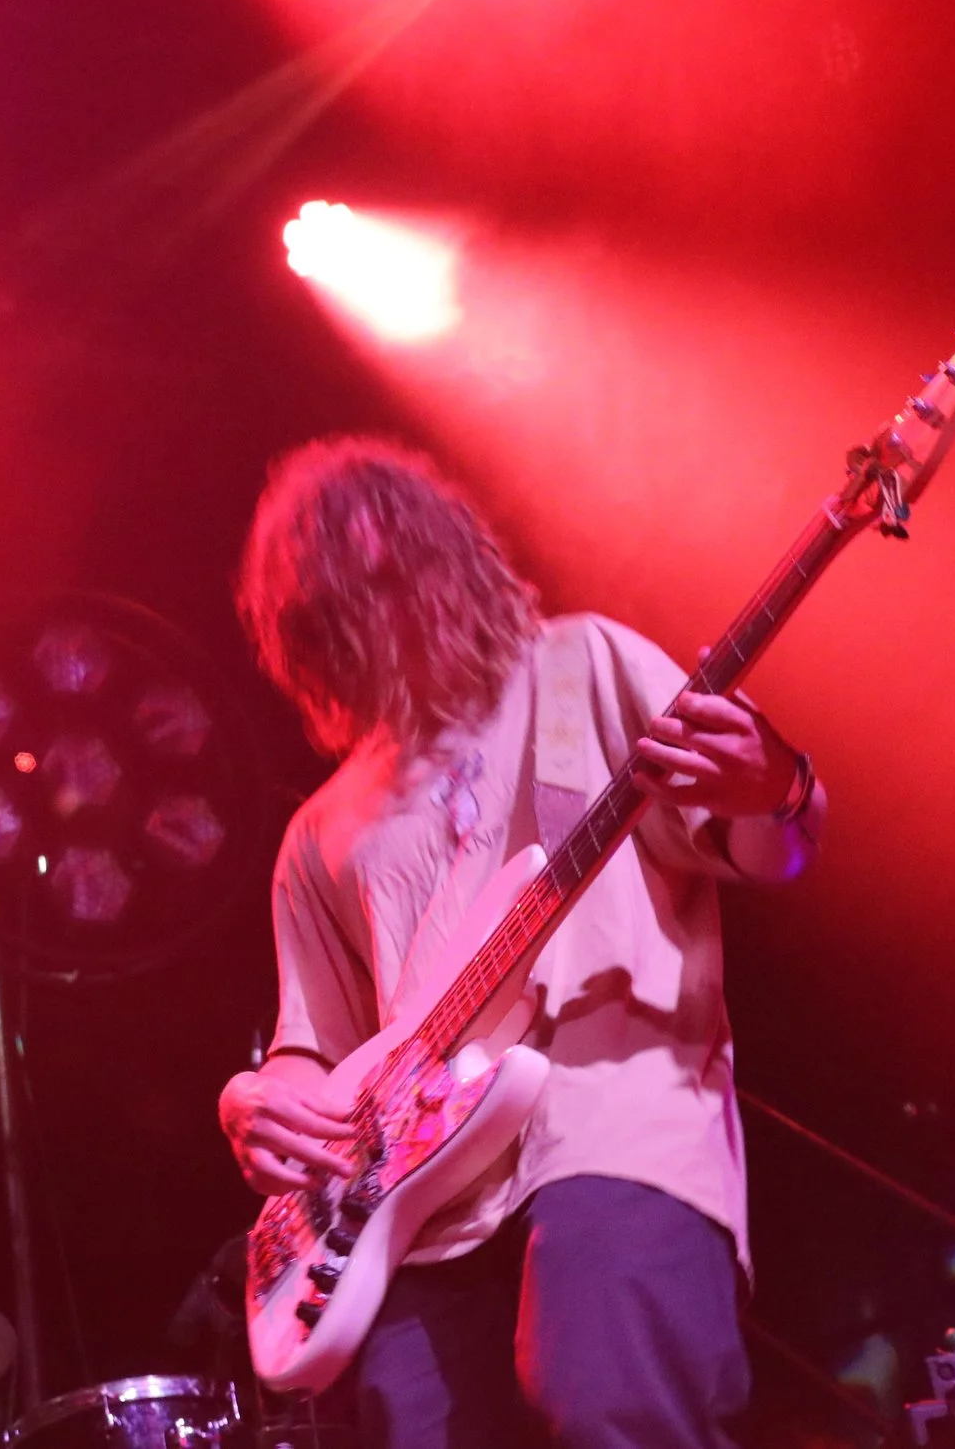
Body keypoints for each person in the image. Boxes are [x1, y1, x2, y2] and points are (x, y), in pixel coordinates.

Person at [216, 438, 829, 1449]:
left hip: (608, 1123)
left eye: (393, 567)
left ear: (447, 551)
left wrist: (778, 787)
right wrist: (252, 1096)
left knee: (605, 1411)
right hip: (414, 1203)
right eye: (340, 596)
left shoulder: (580, 662)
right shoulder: (318, 828)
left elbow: (769, 846)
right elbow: (311, 1048)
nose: (382, 606)